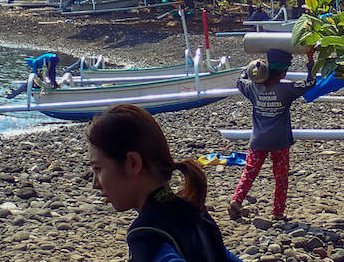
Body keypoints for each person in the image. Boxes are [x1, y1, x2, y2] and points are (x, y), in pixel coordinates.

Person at [87, 104, 241, 262]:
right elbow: (224, 256)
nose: (95, 184)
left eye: (98, 169)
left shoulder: (146, 234)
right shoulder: (194, 209)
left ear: (132, 163)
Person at [229, 48, 315, 220]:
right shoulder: (286, 89)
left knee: (249, 172)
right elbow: (310, 82)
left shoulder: (253, 88)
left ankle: (236, 200)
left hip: (258, 141)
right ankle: (277, 213)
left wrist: (252, 67)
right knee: (281, 178)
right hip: (280, 141)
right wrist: (310, 60)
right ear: (284, 72)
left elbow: (239, 81)